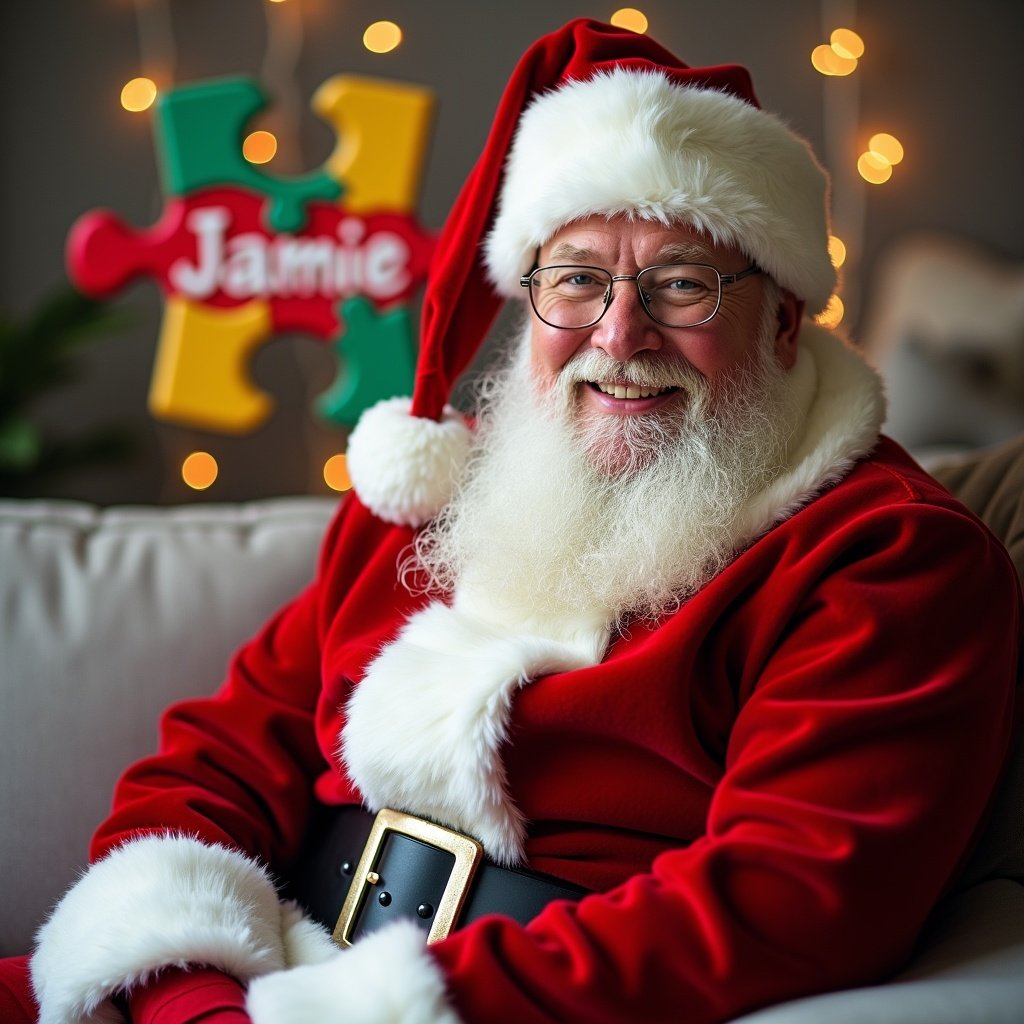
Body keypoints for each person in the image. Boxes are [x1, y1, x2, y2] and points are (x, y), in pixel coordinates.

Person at [3, 17, 1020, 1024]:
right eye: (576, 279)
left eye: (680, 283)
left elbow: (794, 902)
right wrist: (180, 981)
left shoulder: (885, 558)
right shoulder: (441, 490)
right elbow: (218, 759)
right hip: (259, 968)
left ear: (785, 317)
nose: (619, 335)